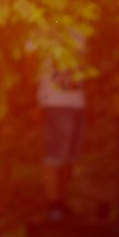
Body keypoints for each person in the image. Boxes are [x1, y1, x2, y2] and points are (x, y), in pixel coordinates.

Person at [36, 43, 88, 219]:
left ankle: (61, 202)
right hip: (54, 101)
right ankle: (53, 204)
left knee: (70, 156)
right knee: (54, 154)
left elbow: (87, 70)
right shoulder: (45, 30)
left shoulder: (81, 32)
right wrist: (35, 99)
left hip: (78, 101)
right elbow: (31, 65)